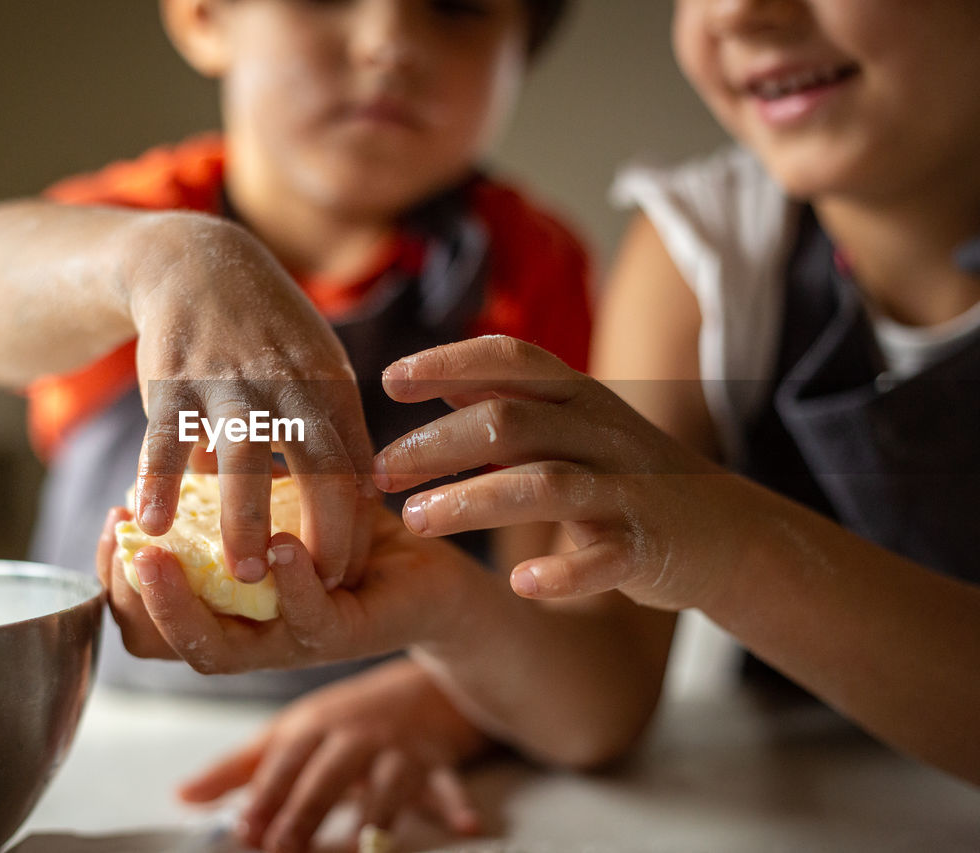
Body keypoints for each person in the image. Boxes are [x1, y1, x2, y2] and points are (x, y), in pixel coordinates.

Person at [103, 0, 980, 843]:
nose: (744, 9)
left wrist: (733, 544)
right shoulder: (702, 251)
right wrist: (451, 610)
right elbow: (608, 682)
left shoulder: (541, 267)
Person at [0, 2, 671, 849]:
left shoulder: (525, 272)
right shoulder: (132, 226)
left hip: (375, 791)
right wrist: (162, 263)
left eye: (456, 6)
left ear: (521, 51)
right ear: (206, 16)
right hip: (84, 746)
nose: (390, 42)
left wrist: (447, 707)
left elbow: (553, 600)